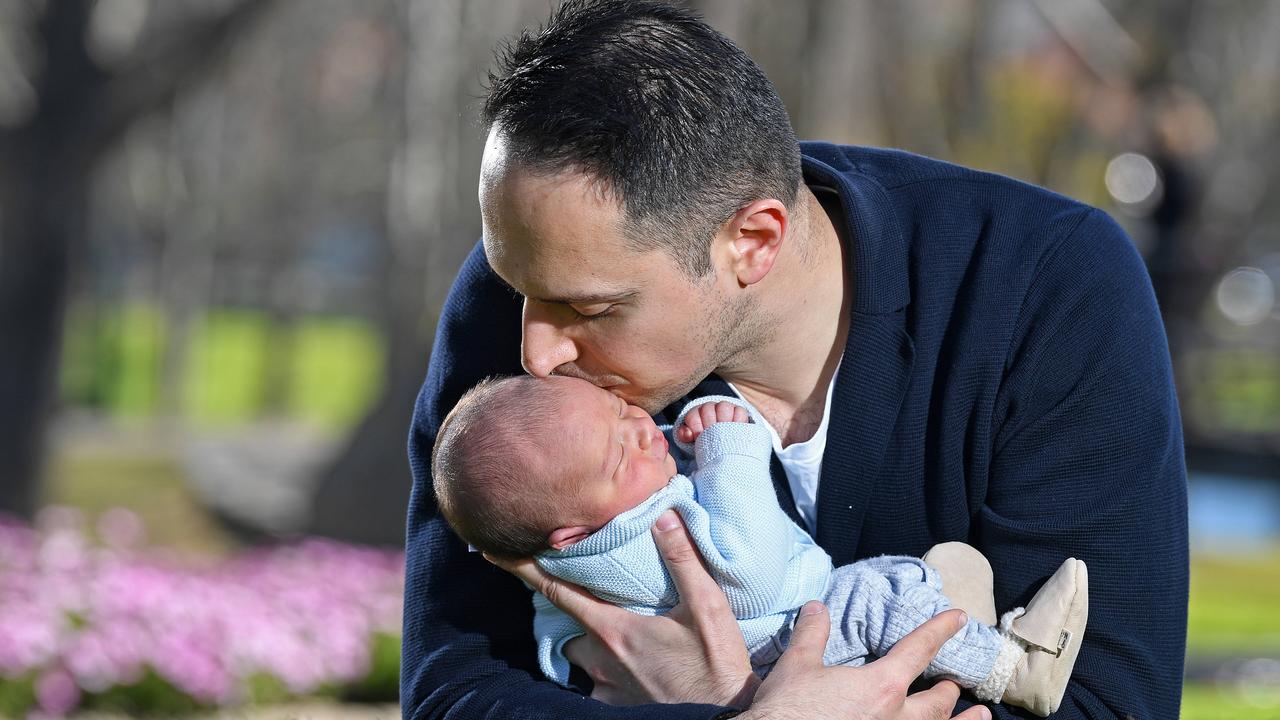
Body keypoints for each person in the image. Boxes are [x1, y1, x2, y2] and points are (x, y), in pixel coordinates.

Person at [400, 1, 1188, 718]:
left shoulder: (1049, 289)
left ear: (754, 241)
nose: (536, 355)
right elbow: (453, 692)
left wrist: (723, 697)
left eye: (593, 310)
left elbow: (1108, 705)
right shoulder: (538, 276)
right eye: (521, 293)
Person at [431, 374, 1089, 717]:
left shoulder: (571, 545)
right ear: (572, 533)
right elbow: (749, 571)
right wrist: (729, 447)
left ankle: (958, 634)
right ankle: (1016, 669)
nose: (641, 427)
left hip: (767, 661)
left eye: (616, 409)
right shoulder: (636, 535)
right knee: (877, 599)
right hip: (784, 642)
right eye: (616, 455)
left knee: (937, 577)